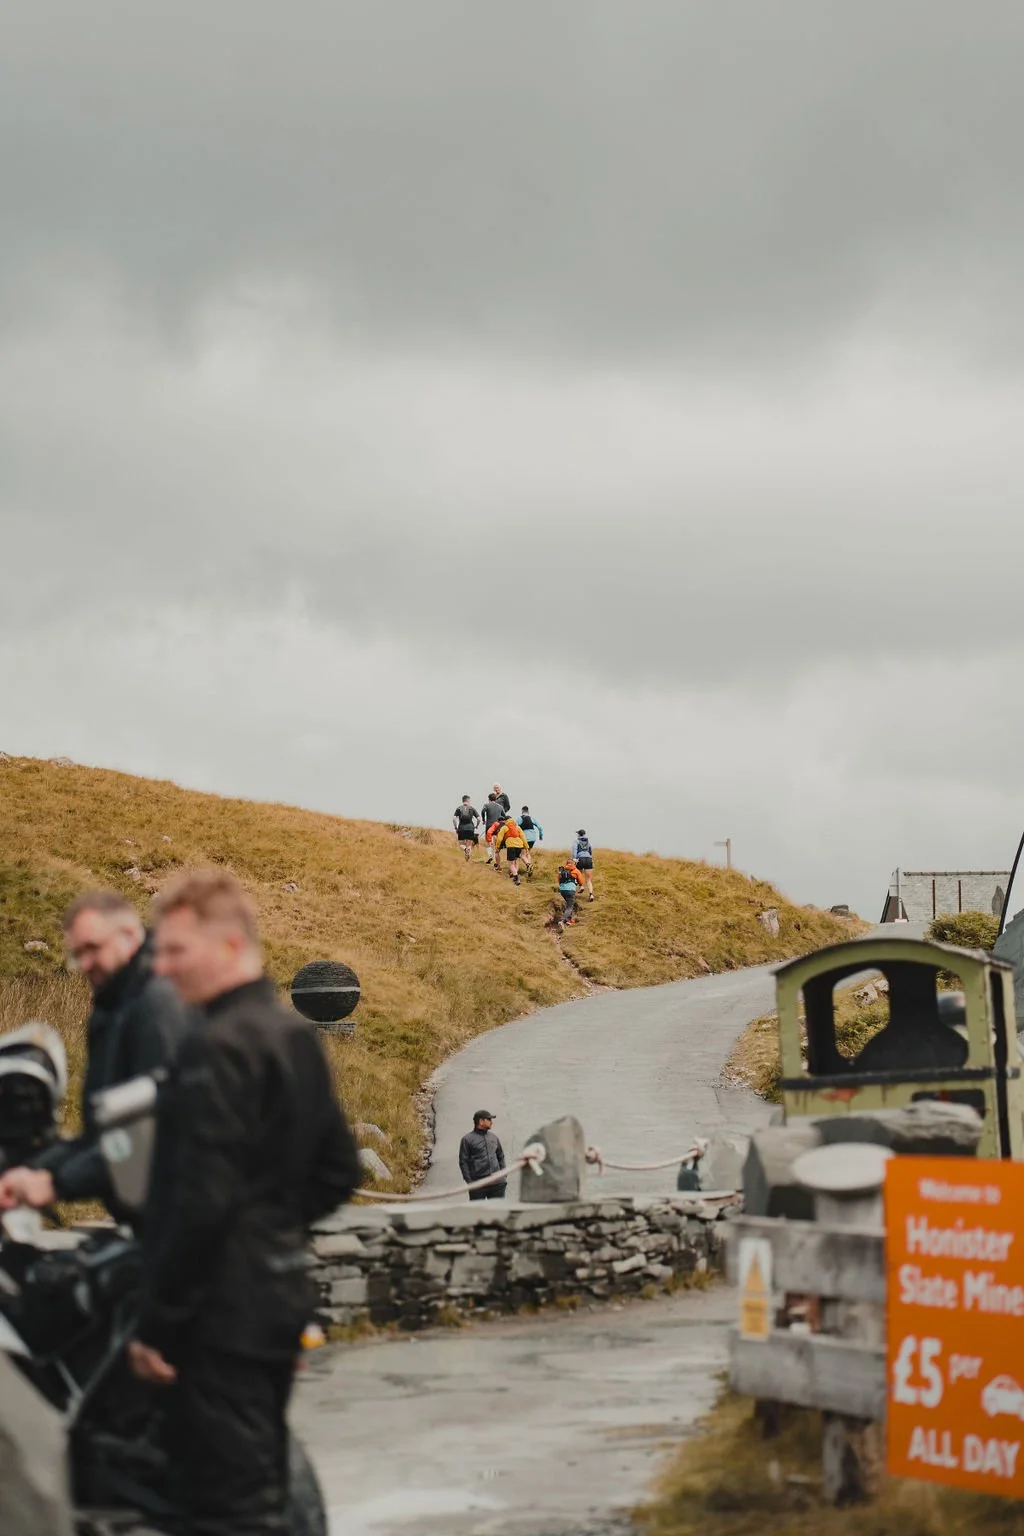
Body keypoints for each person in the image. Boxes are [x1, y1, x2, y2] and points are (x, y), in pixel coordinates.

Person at [127, 869, 361, 1535]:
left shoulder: (214, 1046)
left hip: (214, 1317)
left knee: (225, 1508)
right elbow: (338, 1172)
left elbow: (200, 1202)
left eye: (175, 952)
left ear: (229, 947)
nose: (162, 969)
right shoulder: (291, 1036)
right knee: (260, 1484)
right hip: (279, 1299)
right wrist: (269, 1236)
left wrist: (156, 1326)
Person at [0, 890, 189, 1226]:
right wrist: (32, 1171)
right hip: (150, 1220)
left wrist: (57, 1182)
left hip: (184, 1226)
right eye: (77, 954)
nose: (84, 964)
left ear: (129, 936)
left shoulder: (158, 1007)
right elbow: (100, 1135)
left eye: (93, 949)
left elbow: (155, 1133)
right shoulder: (112, 1008)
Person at [458, 1111, 506, 1200]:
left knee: (498, 1212)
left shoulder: (494, 1137)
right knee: (478, 1213)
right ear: (481, 1121)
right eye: (489, 1119)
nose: (491, 1122)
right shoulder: (467, 1140)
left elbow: (500, 1156)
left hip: (497, 1184)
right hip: (478, 1184)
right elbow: (463, 1161)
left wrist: (503, 1175)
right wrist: (470, 1182)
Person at [494, 815, 530, 885]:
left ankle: (516, 878)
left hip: (511, 846)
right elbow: (523, 837)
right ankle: (515, 873)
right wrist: (526, 847)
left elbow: (500, 838)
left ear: (505, 820)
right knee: (516, 861)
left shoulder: (505, 827)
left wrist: (497, 847)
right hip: (519, 845)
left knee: (511, 864)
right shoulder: (517, 827)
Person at [557, 858, 585, 926]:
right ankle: (562, 920)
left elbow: (559, 880)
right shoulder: (576, 870)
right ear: (574, 864)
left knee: (568, 904)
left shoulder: (562, 870)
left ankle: (568, 920)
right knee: (570, 906)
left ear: (566, 863)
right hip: (570, 890)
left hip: (562, 890)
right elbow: (581, 881)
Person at [481, 792, 506, 867]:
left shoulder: (486, 805)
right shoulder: (500, 806)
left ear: (489, 799)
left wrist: (483, 819)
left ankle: (490, 855)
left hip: (489, 824)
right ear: (496, 799)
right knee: (496, 842)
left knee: (488, 840)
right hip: (498, 825)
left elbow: (483, 811)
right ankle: (496, 860)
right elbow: (504, 815)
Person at [452, 795, 480, 861]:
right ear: (468, 800)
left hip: (461, 828)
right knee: (469, 845)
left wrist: (455, 827)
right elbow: (479, 819)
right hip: (470, 828)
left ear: (462, 800)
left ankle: (465, 850)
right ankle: (467, 858)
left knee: (461, 844)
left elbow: (453, 819)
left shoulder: (459, 808)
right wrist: (477, 825)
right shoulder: (472, 808)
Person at [571, 829, 596, 901]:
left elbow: (574, 851)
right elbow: (590, 851)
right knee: (588, 880)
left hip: (580, 859)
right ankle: (591, 894)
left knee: (578, 875)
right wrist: (591, 859)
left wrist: (574, 859)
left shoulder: (576, 842)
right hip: (588, 859)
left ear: (578, 834)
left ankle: (581, 886)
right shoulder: (588, 842)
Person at [519, 806, 543, 876]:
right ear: (528, 811)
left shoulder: (520, 818)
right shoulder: (532, 819)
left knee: (522, 855)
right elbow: (540, 828)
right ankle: (529, 869)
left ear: (522, 811)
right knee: (527, 852)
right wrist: (541, 836)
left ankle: (529, 865)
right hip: (533, 838)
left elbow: (515, 827)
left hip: (525, 838)